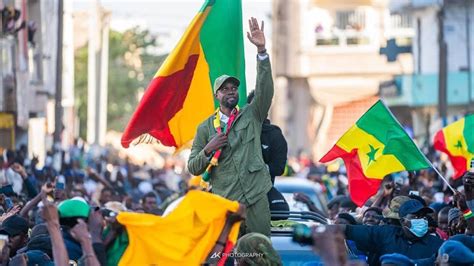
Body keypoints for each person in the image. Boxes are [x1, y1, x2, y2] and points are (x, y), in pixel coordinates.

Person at [188, 17, 273, 236]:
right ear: (217, 96)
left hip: (255, 199)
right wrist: (209, 148)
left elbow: (265, 89)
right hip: (226, 202)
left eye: (234, 88)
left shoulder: (251, 114)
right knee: (228, 256)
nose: (231, 91)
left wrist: (261, 51)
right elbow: (193, 167)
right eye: (225, 89)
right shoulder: (205, 128)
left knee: (260, 253)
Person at [324, 199, 444, 265]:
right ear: (403, 221)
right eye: (416, 216)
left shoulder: (438, 245)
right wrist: (311, 231)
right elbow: (348, 230)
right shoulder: (386, 234)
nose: (421, 220)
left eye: (423, 216)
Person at [247, 90, 289, 220]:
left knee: (281, 211)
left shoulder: (274, 135)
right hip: (235, 190)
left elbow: (279, 167)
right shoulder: (236, 131)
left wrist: (261, 167)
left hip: (263, 191)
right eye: (255, 105)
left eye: (263, 104)